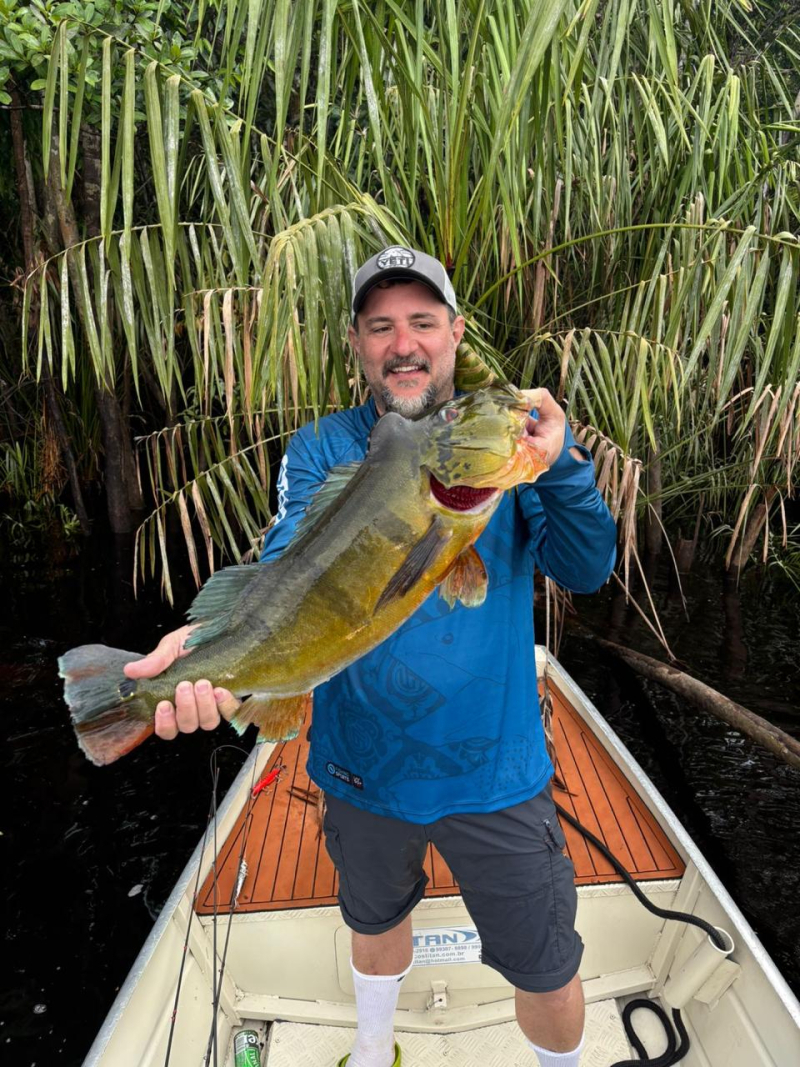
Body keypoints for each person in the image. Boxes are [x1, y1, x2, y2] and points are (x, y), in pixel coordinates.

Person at [124, 247, 617, 1067]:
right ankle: (374, 1045)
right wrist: (206, 652)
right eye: (381, 326)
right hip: (360, 769)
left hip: (496, 770)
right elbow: (286, 562)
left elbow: (587, 566)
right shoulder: (324, 446)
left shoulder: (509, 454)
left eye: (423, 322)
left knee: (545, 962)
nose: (404, 344)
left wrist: (560, 463)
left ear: (456, 333)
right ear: (356, 342)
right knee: (373, 919)